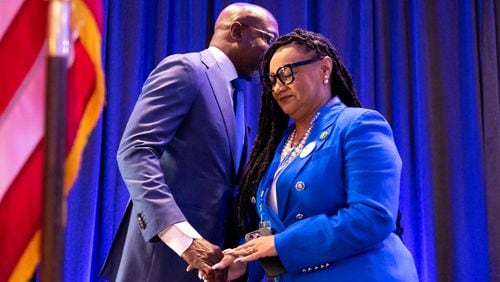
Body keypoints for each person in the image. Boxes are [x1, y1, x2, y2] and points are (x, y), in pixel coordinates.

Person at [212, 28, 419, 281]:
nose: (278, 87)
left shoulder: (359, 125)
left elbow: (372, 217)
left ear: (324, 69)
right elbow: (277, 230)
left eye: (287, 73)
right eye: (272, 79)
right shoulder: (281, 144)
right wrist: (243, 260)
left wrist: (278, 245)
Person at [99, 3, 278, 282]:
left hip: (209, 264)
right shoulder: (186, 69)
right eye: (268, 39)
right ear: (237, 31)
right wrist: (184, 239)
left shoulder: (237, 95)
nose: (272, 52)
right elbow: (135, 151)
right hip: (164, 260)